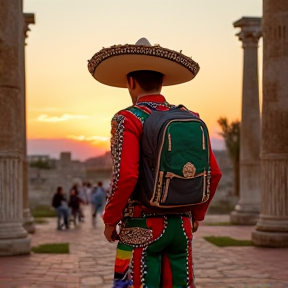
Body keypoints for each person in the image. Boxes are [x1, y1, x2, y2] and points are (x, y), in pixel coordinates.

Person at [87, 38, 222, 288]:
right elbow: (213, 173)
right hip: (182, 227)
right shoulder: (190, 117)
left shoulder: (128, 118)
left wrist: (109, 219)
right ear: (162, 81)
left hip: (141, 226)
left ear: (130, 81)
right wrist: (197, 215)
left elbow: (125, 176)